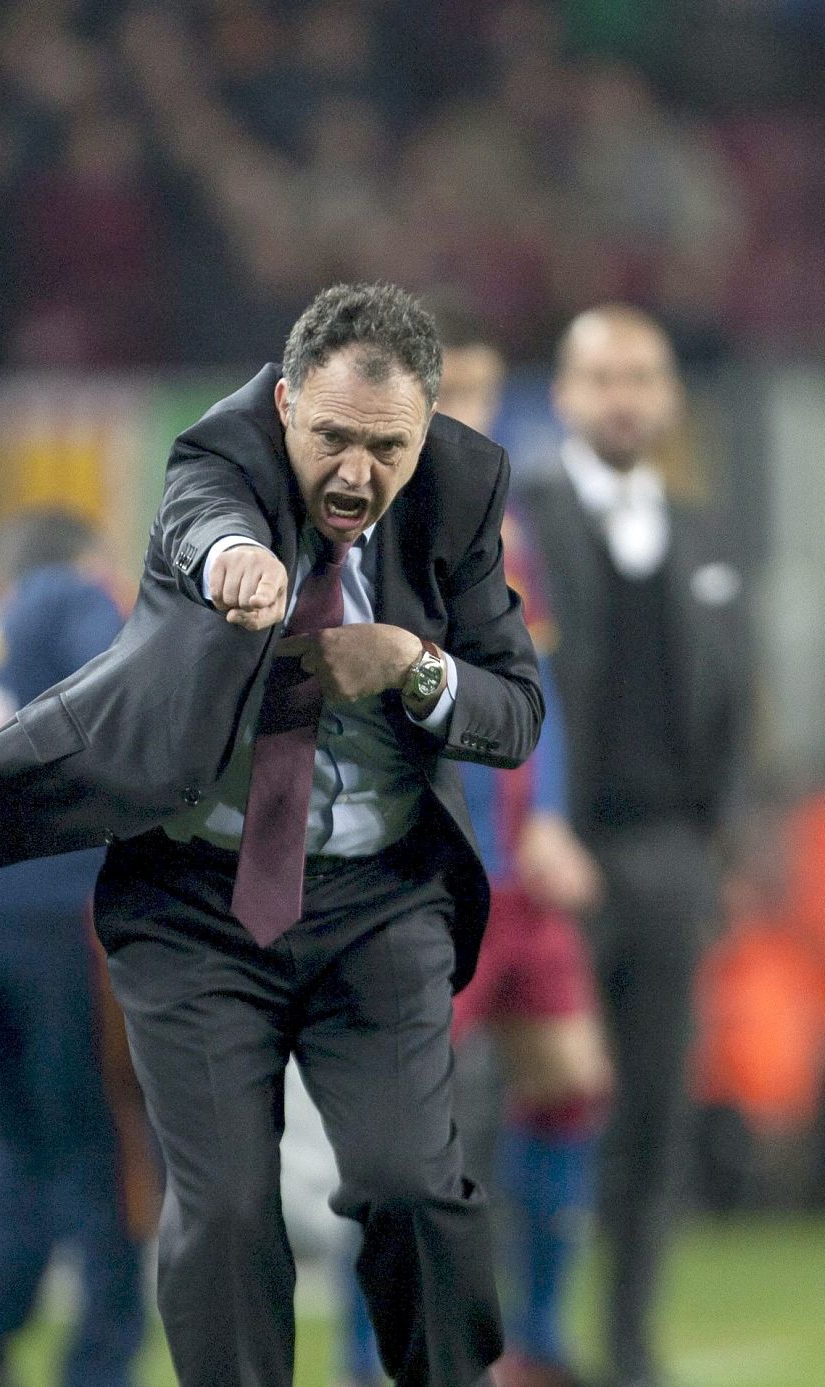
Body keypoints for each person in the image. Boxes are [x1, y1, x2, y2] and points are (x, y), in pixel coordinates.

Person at [0, 282, 545, 1387]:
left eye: (386, 448)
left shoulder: (466, 490)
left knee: (410, 1188)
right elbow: (203, 518)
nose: (354, 472)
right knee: (226, 1209)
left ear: (427, 429)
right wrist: (235, 559)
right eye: (330, 438)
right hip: (195, 901)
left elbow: (514, 709)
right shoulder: (217, 452)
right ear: (285, 404)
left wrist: (412, 665)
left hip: (379, 901)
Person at [338, 320, 613, 1387]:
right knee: (402, 1139)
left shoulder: (502, 529)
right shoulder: (359, 533)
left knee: (569, 1082)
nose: (477, 417)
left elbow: (532, 686)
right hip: (422, 874)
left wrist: (551, 812)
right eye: (456, 395)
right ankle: (370, 1360)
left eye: (491, 393)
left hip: (520, 877)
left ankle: (534, 1341)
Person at [518, 306, 752, 1387]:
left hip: (669, 856)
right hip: (550, 858)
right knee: (534, 1107)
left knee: (653, 1117)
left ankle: (628, 1348)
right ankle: (523, 1338)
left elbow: (733, 700)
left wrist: (718, 848)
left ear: (668, 397)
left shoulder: (705, 534)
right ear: (565, 393)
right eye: (603, 376)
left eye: (642, 377)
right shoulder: (524, 520)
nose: (623, 397)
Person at [0, 509, 150, 1387]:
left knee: (17, 1136)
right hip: (53, 907)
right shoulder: (71, 595)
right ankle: (100, 1363)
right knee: (107, 1141)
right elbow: (125, 692)